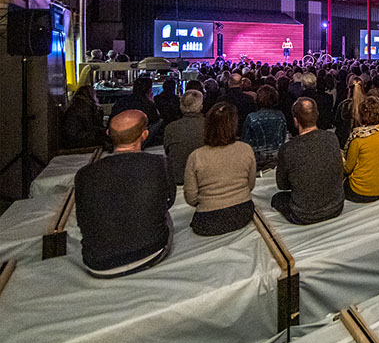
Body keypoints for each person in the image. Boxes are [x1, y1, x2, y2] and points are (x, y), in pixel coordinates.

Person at [74, 110, 175, 278]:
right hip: (151, 251)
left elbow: (82, 217)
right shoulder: (159, 164)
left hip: (99, 263)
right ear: (145, 135)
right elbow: (169, 201)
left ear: (108, 133)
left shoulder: (85, 174)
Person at [184, 102, 256, 236]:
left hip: (207, 221)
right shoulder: (246, 149)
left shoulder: (196, 156)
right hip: (243, 213)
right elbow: (250, 185)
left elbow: (191, 198)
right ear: (234, 125)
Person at [273, 97, 345, 224]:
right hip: (336, 207)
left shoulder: (288, 148)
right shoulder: (332, 138)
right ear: (316, 116)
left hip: (304, 215)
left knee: (277, 198)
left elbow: (282, 185)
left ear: (295, 121)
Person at [163, 90, 206, 185]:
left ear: (181, 106)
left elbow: (167, 150)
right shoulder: (210, 126)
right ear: (201, 106)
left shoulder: (171, 127)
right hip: (203, 178)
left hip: (178, 177)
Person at [242, 85, 287, 169]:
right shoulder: (281, 116)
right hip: (276, 159)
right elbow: (283, 137)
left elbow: (246, 141)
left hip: (257, 159)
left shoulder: (252, 117)